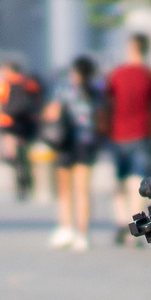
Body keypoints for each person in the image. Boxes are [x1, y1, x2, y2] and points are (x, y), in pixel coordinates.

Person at [106, 33, 151, 234]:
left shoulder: (115, 75)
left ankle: (120, 221)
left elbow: (108, 105)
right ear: (146, 49)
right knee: (138, 179)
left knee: (120, 179)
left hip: (118, 134)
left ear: (129, 48)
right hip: (142, 133)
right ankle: (135, 223)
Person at [42, 56, 102, 250]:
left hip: (65, 142)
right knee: (82, 190)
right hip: (87, 143)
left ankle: (66, 227)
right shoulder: (96, 93)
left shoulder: (63, 90)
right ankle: (82, 234)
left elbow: (52, 114)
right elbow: (102, 120)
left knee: (64, 189)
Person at [0, 61, 43, 202]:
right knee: (27, 153)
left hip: (9, 121)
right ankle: (28, 178)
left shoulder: (4, 84)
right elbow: (38, 98)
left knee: (12, 153)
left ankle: (19, 178)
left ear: (10, 71)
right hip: (27, 121)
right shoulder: (29, 82)